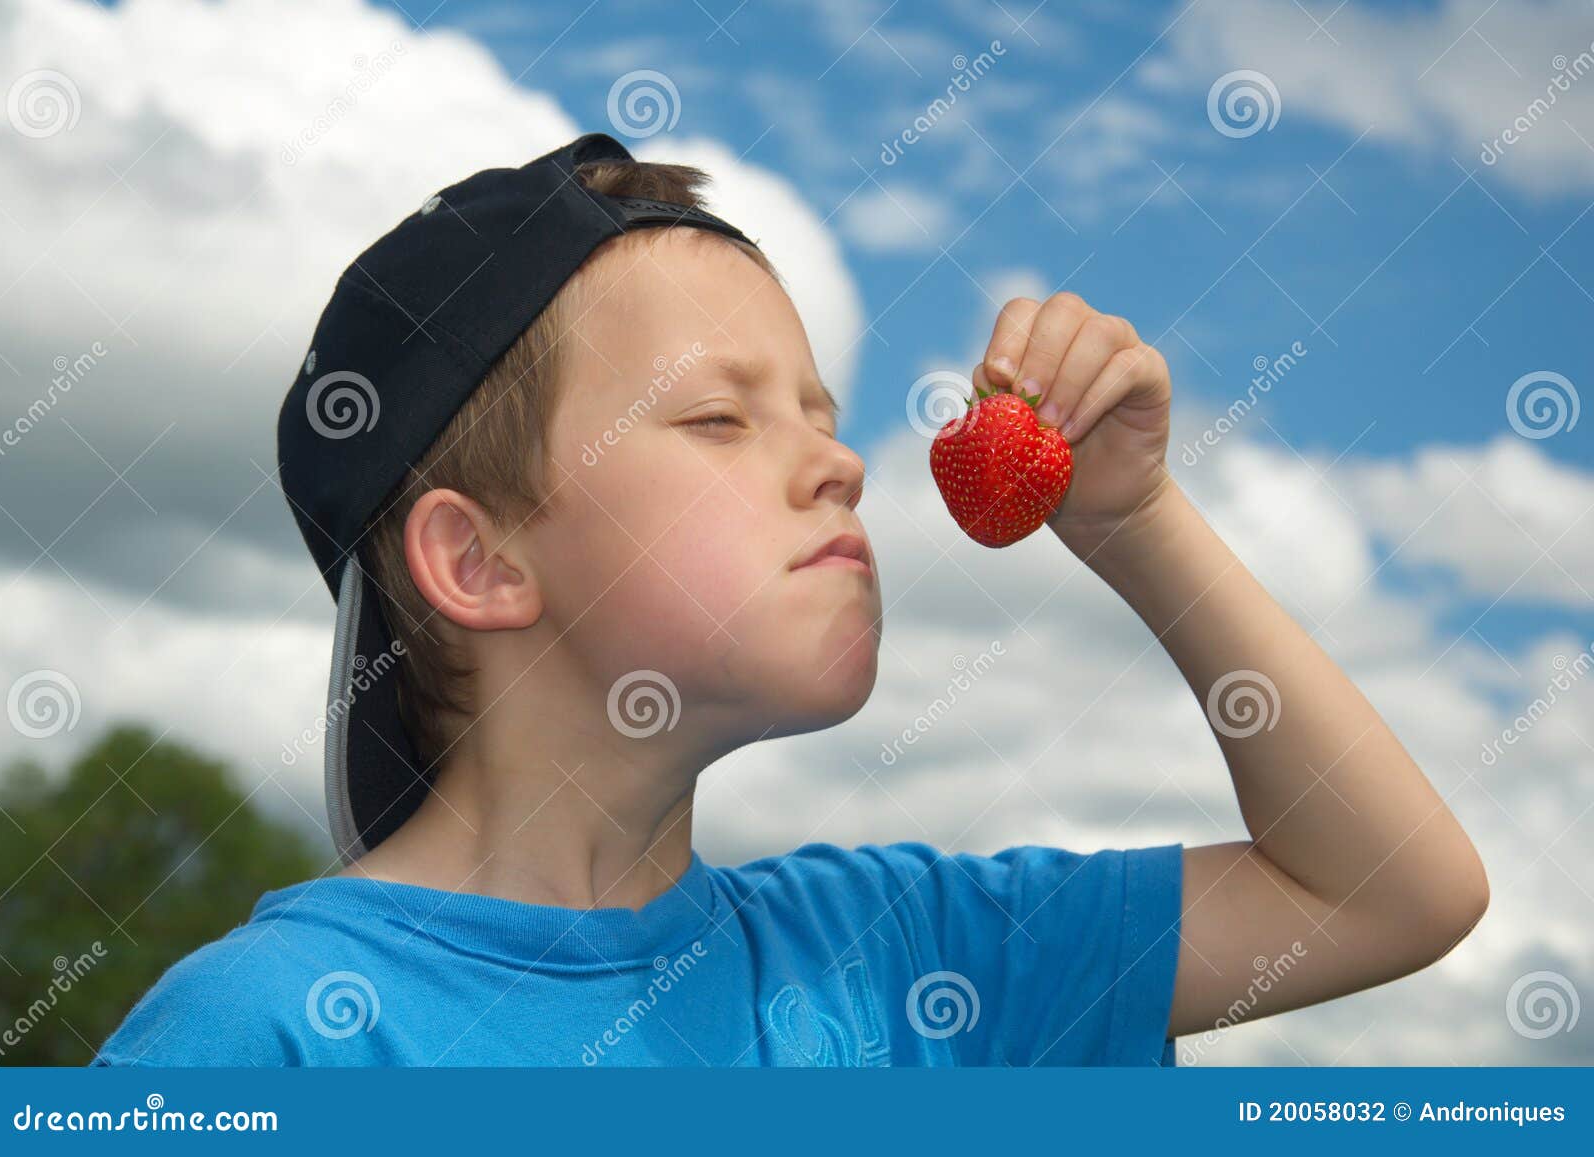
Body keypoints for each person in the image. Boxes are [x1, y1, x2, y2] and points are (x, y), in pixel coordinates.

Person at [91, 133, 1487, 1067]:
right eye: (717, 417)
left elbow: (1386, 893)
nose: (837, 462)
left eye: (820, 413)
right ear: (482, 562)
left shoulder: (902, 961)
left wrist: (1133, 522)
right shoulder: (264, 1037)